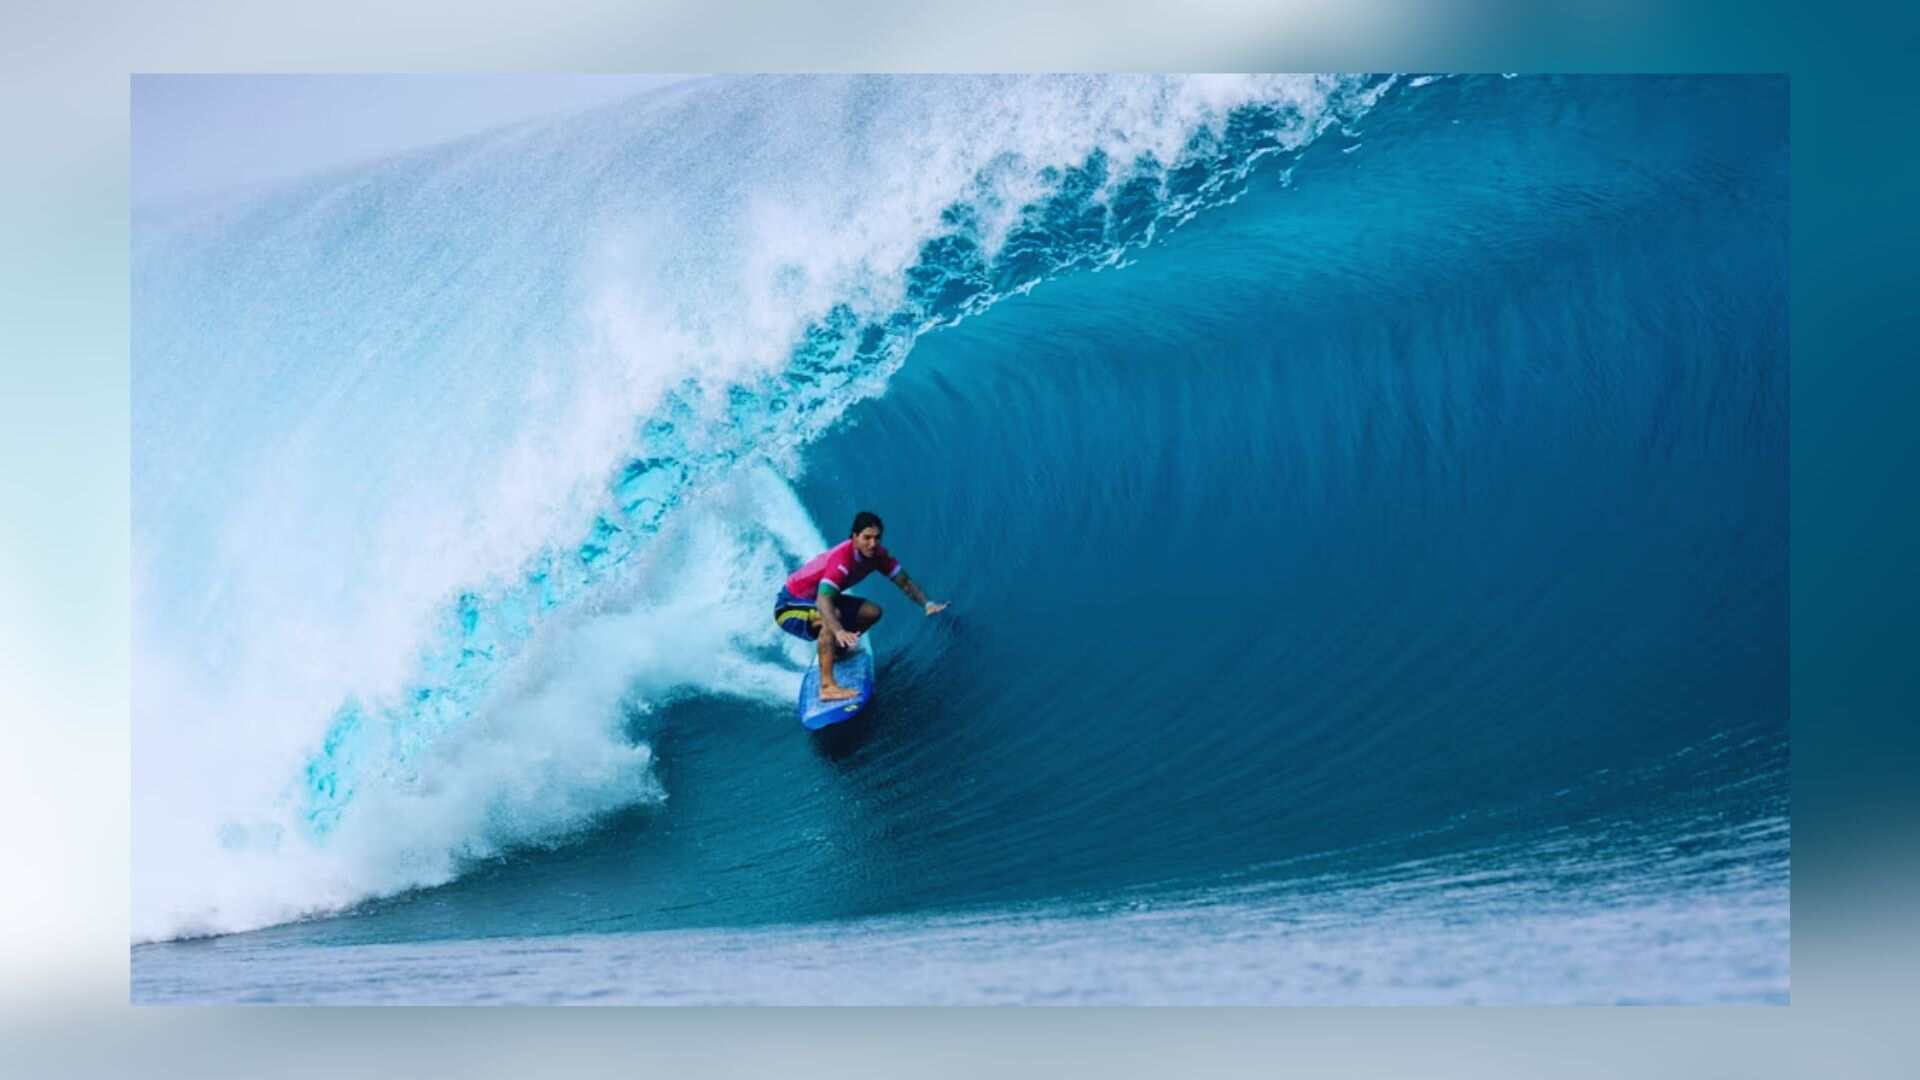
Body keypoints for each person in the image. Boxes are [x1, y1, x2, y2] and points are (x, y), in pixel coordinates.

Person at [774, 511, 948, 701]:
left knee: (872, 612)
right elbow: (823, 602)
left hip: (818, 600)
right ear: (854, 537)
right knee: (833, 617)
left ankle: (838, 651)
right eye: (866, 537)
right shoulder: (842, 560)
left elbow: (904, 582)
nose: (872, 544)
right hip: (789, 606)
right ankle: (827, 687)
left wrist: (927, 604)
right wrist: (839, 631)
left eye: (877, 538)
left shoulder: (879, 556)